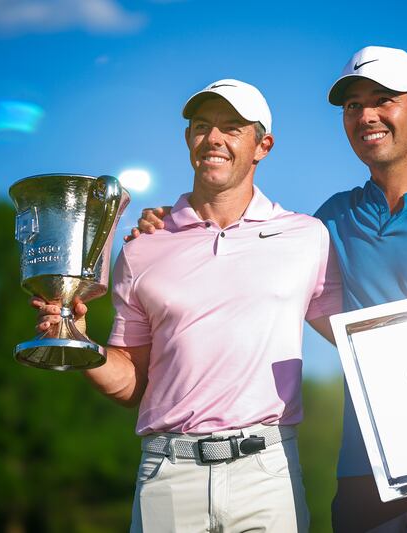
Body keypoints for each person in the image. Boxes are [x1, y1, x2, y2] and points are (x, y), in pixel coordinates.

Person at [132, 47, 407, 532]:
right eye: (352, 106)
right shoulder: (326, 223)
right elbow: (245, 256)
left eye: (383, 100)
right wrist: (168, 224)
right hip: (371, 473)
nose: (366, 116)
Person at [32, 79, 341, 533]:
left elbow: (356, 336)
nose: (213, 138)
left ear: (262, 146)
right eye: (202, 126)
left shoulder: (306, 237)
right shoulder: (142, 248)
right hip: (167, 476)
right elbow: (134, 384)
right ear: (188, 139)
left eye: (232, 128)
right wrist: (77, 343)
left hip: (267, 472)